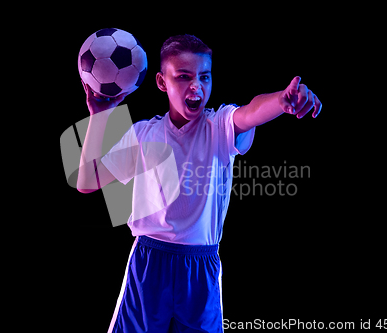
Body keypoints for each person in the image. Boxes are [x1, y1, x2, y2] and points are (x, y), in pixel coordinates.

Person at [77, 34, 322, 333]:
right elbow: (87, 182)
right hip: (149, 262)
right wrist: (98, 117)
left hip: (199, 266)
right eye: (183, 77)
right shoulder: (144, 134)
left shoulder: (218, 126)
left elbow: (251, 111)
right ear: (161, 82)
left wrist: (280, 101)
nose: (197, 86)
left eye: (204, 77)